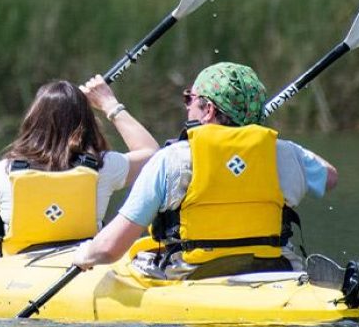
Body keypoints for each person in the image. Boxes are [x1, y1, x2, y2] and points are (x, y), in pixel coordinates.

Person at [70, 62, 339, 279]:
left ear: (208, 109)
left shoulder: (170, 160)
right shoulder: (286, 154)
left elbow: (109, 248)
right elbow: (330, 176)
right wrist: (270, 141)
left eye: (190, 99)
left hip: (192, 275)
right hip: (275, 271)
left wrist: (84, 255)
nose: (186, 105)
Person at [0, 76, 158, 256]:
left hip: (18, 274)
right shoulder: (104, 166)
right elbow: (152, 155)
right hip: (82, 266)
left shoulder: (2, 173)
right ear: (88, 123)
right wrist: (111, 104)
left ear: (32, 121)